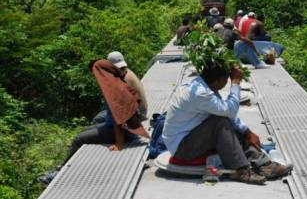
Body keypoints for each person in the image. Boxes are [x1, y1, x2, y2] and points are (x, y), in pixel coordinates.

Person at [162, 61, 293, 185]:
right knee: (220, 123)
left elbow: (226, 113)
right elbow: (229, 112)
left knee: (232, 127)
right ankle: (240, 170)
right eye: (227, 79)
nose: (228, 82)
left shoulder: (205, 87)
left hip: (191, 137)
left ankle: (263, 165)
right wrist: (236, 83)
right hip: (181, 148)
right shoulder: (199, 93)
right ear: (219, 80)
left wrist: (247, 131)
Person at [38, 52, 149, 185]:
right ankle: (64, 165)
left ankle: (58, 173)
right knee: (87, 129)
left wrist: (120, 144)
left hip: (126, 129)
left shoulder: (114, 87)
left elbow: (117, 118)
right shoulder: (123, 75)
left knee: (78, 140)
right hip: (131, 121)